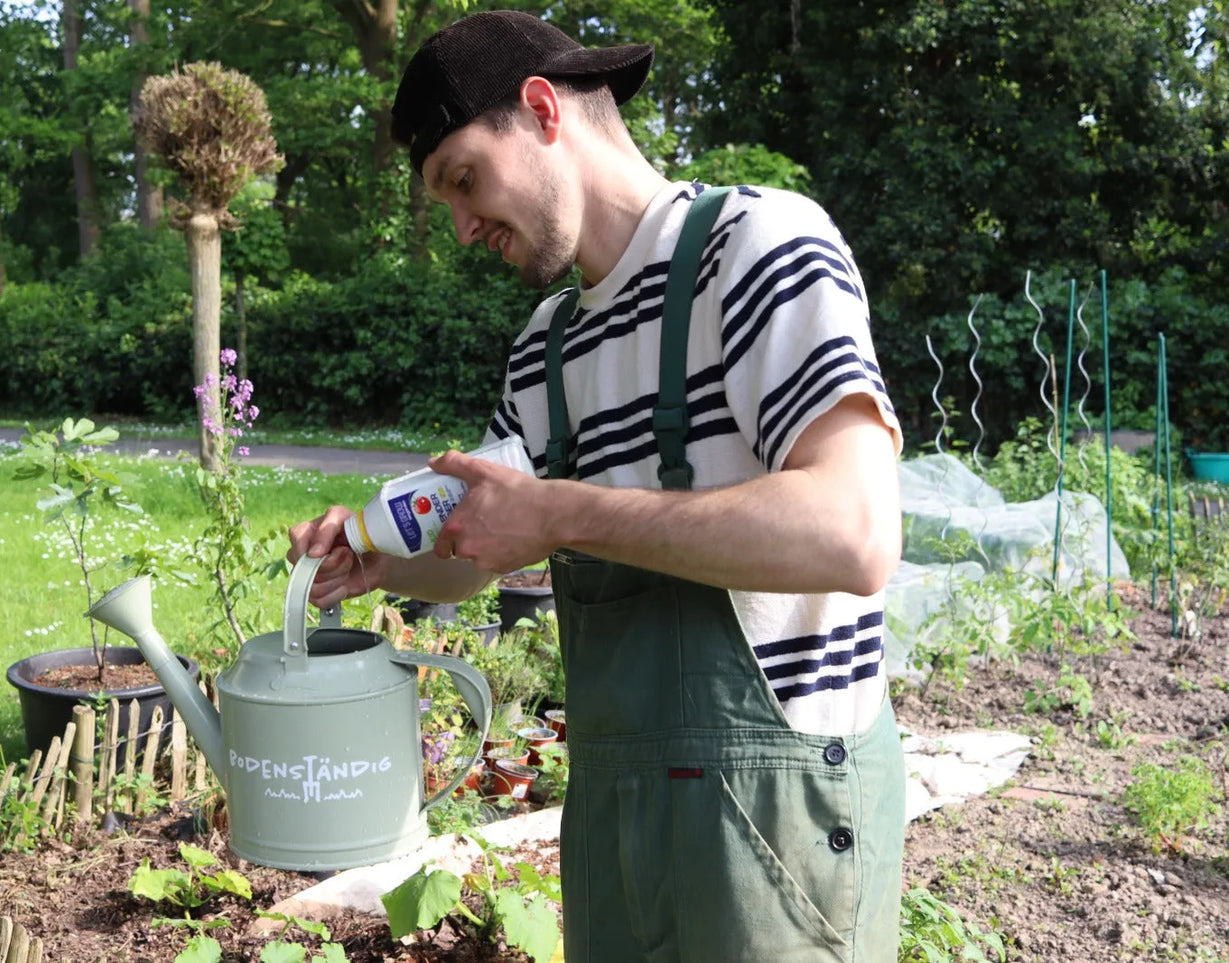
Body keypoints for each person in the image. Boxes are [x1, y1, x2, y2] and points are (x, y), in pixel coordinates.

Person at [287, 9, 906, 961]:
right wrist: (378, 558)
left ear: (541, 110)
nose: (459, 228)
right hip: (616, 823)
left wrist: (559, 513)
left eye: (463, 179)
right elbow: (477, 551)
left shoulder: (759, 246)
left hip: (773, 822)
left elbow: (853, 533)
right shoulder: (546, 348)